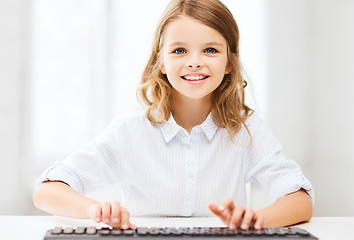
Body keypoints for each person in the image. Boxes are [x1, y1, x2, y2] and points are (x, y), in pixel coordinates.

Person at [33, 0, 314, 231]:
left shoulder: (245, 130)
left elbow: (300, 201)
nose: (194, 61)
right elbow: (46, 191)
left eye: (210, 50)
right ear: (161, 62)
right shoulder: (128, 132)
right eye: (179, 50)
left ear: (229, 62)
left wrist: (258, 220)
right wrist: (94, 210)